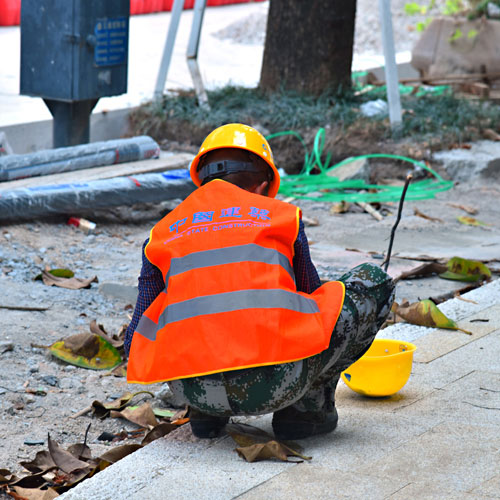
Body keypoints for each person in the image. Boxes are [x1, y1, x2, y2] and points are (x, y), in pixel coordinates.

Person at [125, 123, 395, 440]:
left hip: (192, 387)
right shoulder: (280, 216)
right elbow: (312, 301)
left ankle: (207, 414)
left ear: (202, 180)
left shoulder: (162, 233)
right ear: (262, 186)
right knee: (371, 281)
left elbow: (134, 340)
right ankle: (304, 413)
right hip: (275, 383)